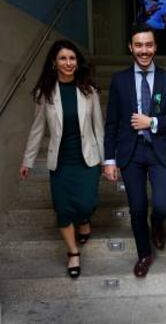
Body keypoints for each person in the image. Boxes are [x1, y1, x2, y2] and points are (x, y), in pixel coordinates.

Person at [103, 23, 166, 278]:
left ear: (155, 47)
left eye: (148, 45)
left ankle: (158, 223)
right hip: (131, 152)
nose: (144, 50)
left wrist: (153, 122)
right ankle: (144, 254)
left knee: (162, 205)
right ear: (130, 47)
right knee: (137, 208)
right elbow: (112, 123)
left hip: (159, 150)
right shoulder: (119, 80)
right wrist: (109, 159)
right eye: (138, 45)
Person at [20, 39, 104, 279]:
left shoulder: (89, 91)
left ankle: (85, 218)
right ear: (54, 63)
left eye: (72, 58)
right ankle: (73, 252)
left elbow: (99, 128)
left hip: (86, 159)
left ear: (77, 63)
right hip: (61, 162)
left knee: (87, 203)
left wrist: (107, 160)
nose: (69, 63)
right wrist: (27, 160)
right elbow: (37, 130)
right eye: (63, 59)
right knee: (63, 209)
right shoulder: (44, 93)